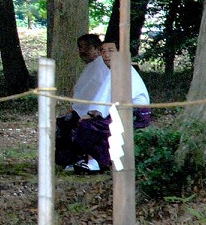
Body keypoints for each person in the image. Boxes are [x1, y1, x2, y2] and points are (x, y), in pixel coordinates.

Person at [63, 39, 153, 175]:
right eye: (103, 51)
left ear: (119, 53)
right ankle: (94, 161)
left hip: (135, 115)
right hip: (122, 112)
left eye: (111, 51)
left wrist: (94, 113)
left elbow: (107, 99)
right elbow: (106, 96)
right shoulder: (116, 69)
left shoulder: (122, 69)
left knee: (88, 126)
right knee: (89, 124)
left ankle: (96, 162)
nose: (106, 55)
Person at [55, 34, 111, 171]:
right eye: (80, 48)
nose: (82, 51)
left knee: (66, 124)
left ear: (97, 49)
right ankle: (70, 159)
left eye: (86, 48)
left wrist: (86, 112)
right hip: (83, 109)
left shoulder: (100, 67)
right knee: (63, 122)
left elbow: (100, 94)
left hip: (95, 112)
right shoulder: (92, 66)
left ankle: (75, 159)